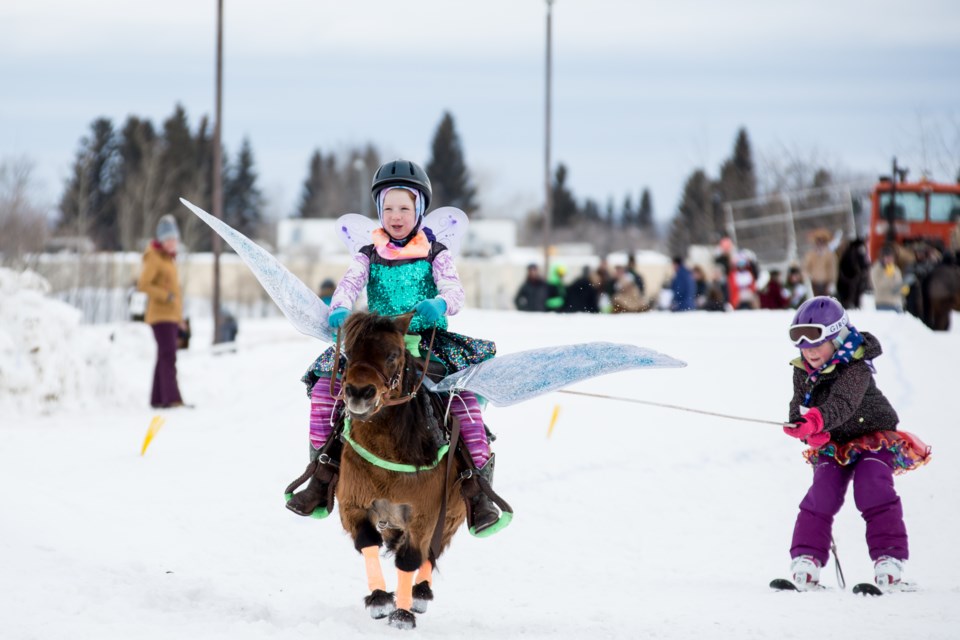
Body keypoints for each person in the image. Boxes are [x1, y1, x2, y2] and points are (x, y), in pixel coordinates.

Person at [286, 159, 507, 535]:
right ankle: (321, 477)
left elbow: (454, 291)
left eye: (404, 208)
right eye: (388, 208)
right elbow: (350, 284)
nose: (396, 216)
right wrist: (340, 306)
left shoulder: (435, 252)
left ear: (419, 210)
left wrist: (441, 304)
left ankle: (476, 490)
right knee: (326, 387)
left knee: (464, 399)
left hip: (424, 342)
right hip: (374, 344)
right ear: (379, 212)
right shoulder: (369, 253)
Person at [780, 296, 930, 592]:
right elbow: (799, 404)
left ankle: (889, 561)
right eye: (802, 344)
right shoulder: (802, 369)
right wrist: (801, 425)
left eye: (816, 342)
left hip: (872, 436)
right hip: (834, 440)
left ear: (836, 337)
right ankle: (806, 561)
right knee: (821, 494)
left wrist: (818, 422)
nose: (808, 351)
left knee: (872, 488)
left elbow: (843, 403)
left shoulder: (855, 367)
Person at [137, 214, 188, 409]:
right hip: (160, 315)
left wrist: (179, 317)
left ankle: (158, 398)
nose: (174, 243)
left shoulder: (169, 259)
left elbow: (175, 291)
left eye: (175, 239)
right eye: (170, 239)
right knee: (169, 355)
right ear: (162, 240)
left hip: (170, 316)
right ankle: (171, 398)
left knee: (163, 356)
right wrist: (165, 296)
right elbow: (143, 284)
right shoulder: (154, 258)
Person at [802, 230, 838, 297]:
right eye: (818, 241)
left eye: (822, 241)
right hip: (814, 283)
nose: (820, 243)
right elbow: (806, 267)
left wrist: (832, 283)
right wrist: (807, 277)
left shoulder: (830, 255)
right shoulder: (810, 255)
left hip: (826, 284)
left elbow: (833, 270)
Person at [870, 247, 904, 313]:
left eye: (891, 258)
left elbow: (899, 283)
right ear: (882, 258)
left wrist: (903, 289)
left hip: (897, 304)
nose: (890, 260)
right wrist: (888, 275)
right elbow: (878, 286)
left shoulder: (896, 269)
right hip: (883, 304)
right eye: (887, 258)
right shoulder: (876, 269)